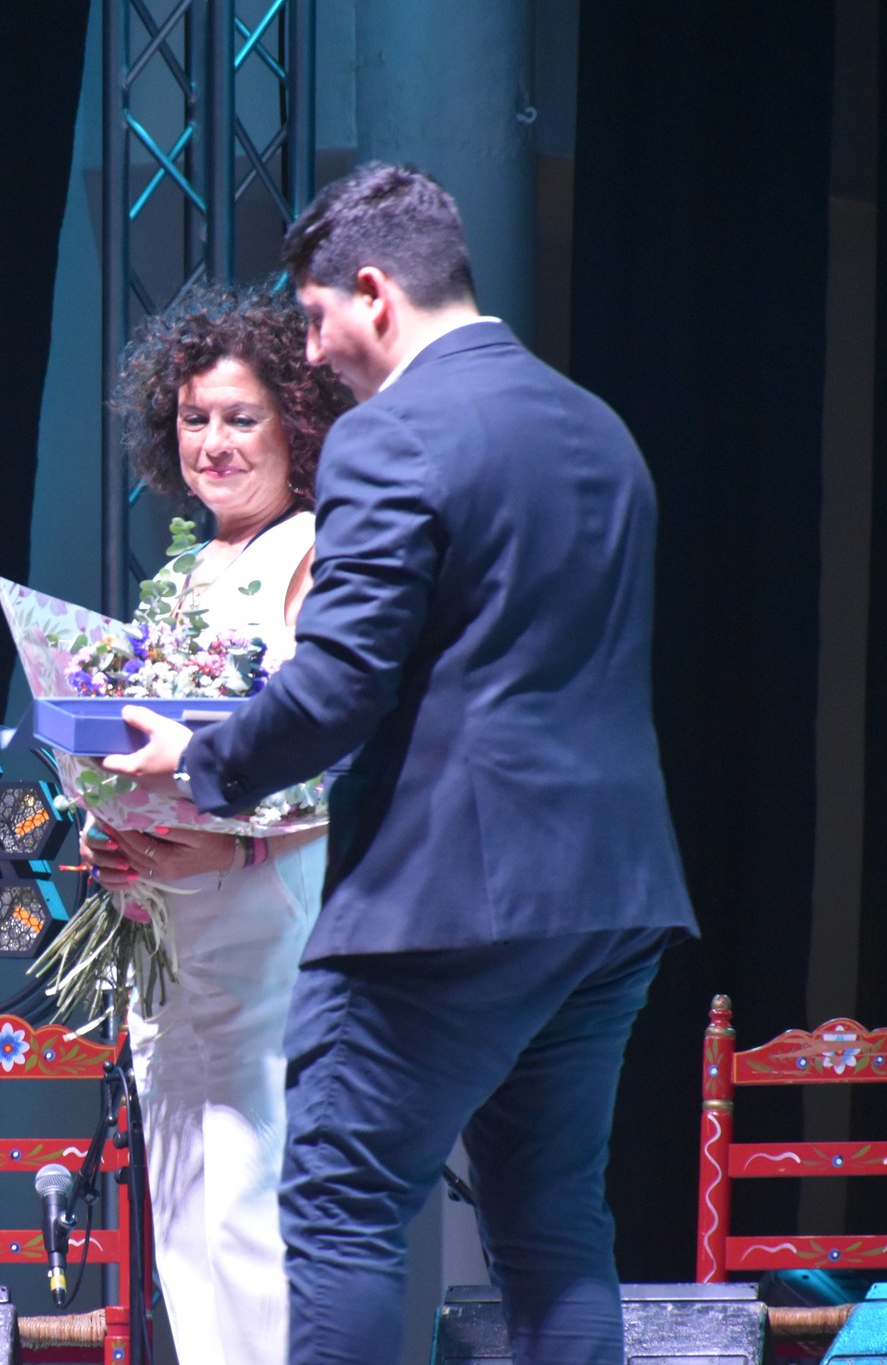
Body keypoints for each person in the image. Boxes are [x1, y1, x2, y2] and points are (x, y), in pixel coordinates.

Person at [103, 164, 697, 1364]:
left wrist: (197, 762)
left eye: (315, 317)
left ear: (372, 293)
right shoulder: (598, 428)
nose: (314, 354)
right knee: (552, 1228)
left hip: (450, 898)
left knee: (337, 1204)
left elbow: (335, 684)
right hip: (612, 895)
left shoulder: (394, 435)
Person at [80, 284, 349, 1365]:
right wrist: (113, 822)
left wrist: (235, 835)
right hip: (174, 913)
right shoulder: (189, 569)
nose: (214, 442)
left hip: (265, 902)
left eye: (241, 417)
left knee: (252, 1197)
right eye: (194, 418)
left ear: (298, 424)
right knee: (184, 1208)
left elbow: (340, 746)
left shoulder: (315, 548)